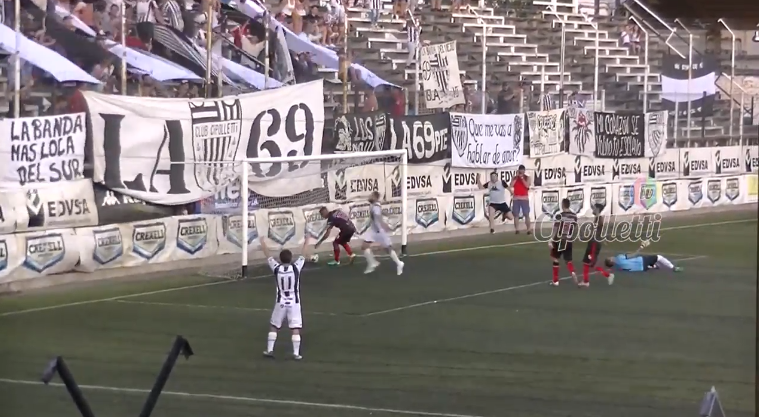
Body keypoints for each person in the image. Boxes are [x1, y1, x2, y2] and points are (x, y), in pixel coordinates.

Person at [260, 236, 313, 361]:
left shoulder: (276, 268)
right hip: (294, 303)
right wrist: (307, 241)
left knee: (274, 326)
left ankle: (270, 350)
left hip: (280, 302)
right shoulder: (295, 268)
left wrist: (263, 243)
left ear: (280, 259)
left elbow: (268, 256)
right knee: (295, 328)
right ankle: (296, 353)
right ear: (291, 259)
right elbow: (303, 255)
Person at [363, 191, 405, 275]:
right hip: (374, 230)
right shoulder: (375, 205)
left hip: (379, 231)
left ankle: (399, 263)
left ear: (375, 198)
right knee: (364, 246)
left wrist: (385, 226)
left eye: (371, 196)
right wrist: (386, 214)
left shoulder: (375, 207)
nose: (369, 197)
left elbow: (378, 218)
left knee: (388, 249)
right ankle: (372, 263)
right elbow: (379, 214)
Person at [580, 203, 614, 287]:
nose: (593, 209)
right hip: (593, 243)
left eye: (594, 208)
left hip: (594, 244)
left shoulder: (599, 219)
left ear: (598, 209)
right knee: (586, 262)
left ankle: (608, 275)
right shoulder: (597, 219)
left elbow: (597, 232)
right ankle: (586, 281)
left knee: (591, 263)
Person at [604, 241, 684, 274]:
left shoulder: (617, 268)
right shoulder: (619, 257)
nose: (611, 256)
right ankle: (673, 268)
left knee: (652, 265)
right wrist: (642, 246)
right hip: (642, 261)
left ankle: (653, 266)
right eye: (610, 258)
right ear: (611, 260)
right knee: (659, 257)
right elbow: (634, 254)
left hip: (642, 269)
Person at [549, 198, 578, 287]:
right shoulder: (574, 216)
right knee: (568, 260)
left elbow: (556, 228)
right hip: (569, 240)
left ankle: (555, 281)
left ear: (563, 205)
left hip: (560, 240)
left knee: (555, 258)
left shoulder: (560, 216)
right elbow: (574, 228)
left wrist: (551, 239)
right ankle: (572, 271)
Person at [510, 165, 531, 234]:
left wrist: (522, 178)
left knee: (526, 214)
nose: (521, 172)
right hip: (516, 198)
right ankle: (517, 229)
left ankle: (528, 229)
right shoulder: (515, 177)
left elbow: (527, 185)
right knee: (516, 214)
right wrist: (516, 177)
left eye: (522, 171)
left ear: (524, 171)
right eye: (520, 171)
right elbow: (511, 185)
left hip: (524, 198)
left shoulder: (527, 177)